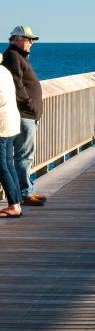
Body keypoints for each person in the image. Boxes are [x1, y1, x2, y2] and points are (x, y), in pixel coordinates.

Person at [2, 26, 46, 206]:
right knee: (23, 155)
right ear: (18, 38)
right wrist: (28, 104)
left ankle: (26, 191)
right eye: (29, 39)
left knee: (24, 155)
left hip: (28, 113)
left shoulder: (18, 56)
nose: (31, 43)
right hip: (24, 114)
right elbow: (17, 85)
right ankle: (25, 193)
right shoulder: (13, 56)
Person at [0, 53, 23, 218]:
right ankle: (16, 202)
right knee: (8, 163)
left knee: (2, 165)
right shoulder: (4, 71)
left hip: (2, 125)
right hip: (10, 122)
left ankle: (14, 205)